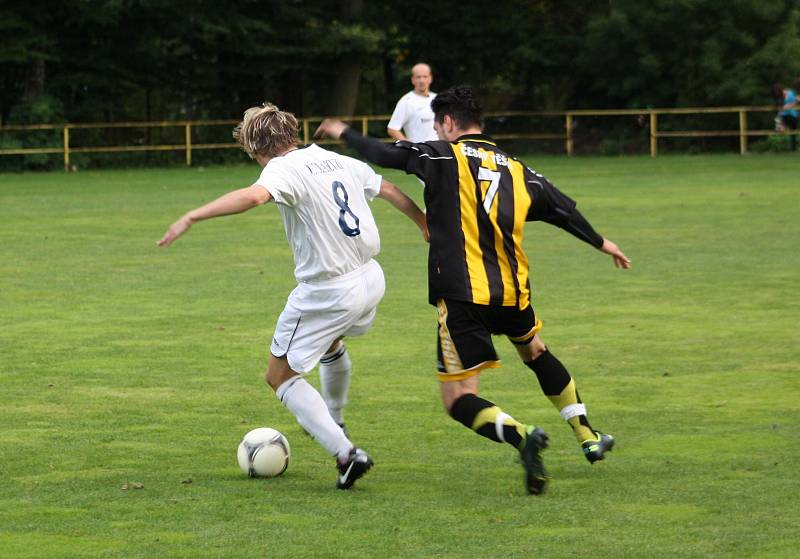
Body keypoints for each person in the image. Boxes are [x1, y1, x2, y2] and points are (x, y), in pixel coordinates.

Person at [316, 86, 631, 495]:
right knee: (535, 349)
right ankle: (587, 434)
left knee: (458, 398)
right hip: (513, 291)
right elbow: (562, 210)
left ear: (448, 123)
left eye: (436, 124)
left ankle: (522, 434)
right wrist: (601, 242)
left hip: (463, 294)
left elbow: (382, 154)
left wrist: (342, 131)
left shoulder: (440, 154)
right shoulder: (518, 168)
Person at [158, 102, 428, 489]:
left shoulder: (280, 169)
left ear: (255, 148)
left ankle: (346, 453)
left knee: (279, 376)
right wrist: (421, 222)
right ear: (291, 133)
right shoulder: (332, 158)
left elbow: (252, 198)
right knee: (331, 342)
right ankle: (333, 418)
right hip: (371, 279)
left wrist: (192, 216)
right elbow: (385, 187)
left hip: (328, 291)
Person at [387, 63, 438, 143]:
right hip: (419, 154)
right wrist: (411, 147)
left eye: (425, 76)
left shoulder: (437, 98)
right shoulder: (406, 101)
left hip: (440, 152)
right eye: (418, 77)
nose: (422, 80)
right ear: (413, 80)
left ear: (430, 78)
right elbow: (392, 129)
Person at [772, 83, 798, 151]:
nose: (776, 93)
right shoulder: (778, 98)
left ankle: (782, 127)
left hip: (792, 115)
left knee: (793, 133)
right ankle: (781, 127)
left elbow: (795, 102)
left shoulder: (790, 94)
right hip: (783, 115)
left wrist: (787, 106)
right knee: (779, 118)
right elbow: (779, 109)